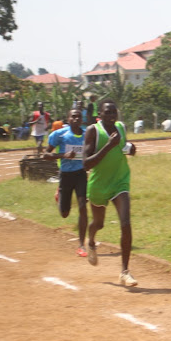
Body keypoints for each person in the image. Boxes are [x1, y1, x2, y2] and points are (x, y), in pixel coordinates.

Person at [83, 102, 137, 286]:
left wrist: (130, 149)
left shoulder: (121, 127)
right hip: (99, 184)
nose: (112, 115)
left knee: (126, 223)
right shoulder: (93, 131)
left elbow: (121, 147)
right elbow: (86, 163)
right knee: (98, 223)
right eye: (107, 112)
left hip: (120, 181)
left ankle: (125, 271)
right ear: (100, 114)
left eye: (114, 112)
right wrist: (108, 145)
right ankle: (90, 241)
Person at [44, 109, 89, 257]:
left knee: (83, 206)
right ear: (68, 119)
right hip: (66, 175)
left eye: (78, 117)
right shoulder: (59, 135)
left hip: (81, 174)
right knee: (65, 213)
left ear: (81, 120)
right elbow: (46, 154)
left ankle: (82, 245)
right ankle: (59, 194)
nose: (76, 119)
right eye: (73, 117)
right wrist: (64, 155)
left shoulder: (87, 134)